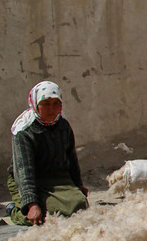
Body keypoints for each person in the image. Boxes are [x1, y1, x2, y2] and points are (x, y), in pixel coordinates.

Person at [7, 81, 89, 226]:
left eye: (56, 104)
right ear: (36, 104)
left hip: (58, 179)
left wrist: (78, 185)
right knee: (48, 217)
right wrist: (32, 204)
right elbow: (23, 172)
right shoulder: (24, 133)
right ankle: (15, 211)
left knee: (80, 206)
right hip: (31, 181)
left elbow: (71, 158)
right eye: (46, 104)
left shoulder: (63, 126)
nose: (51, 109)